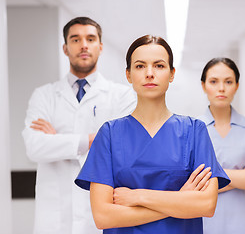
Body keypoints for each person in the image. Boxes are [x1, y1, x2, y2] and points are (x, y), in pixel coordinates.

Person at [75, 35, 230, 234]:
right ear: (128, 75)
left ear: (171, 74)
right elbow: (103, 217)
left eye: (159, 66)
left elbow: (206, 205)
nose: (149, 73)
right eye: (140, 66)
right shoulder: (110, 135)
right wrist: (180, 199)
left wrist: (138, 197)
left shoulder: (194, 131)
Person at [22, 17, 137, 234]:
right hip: (55, 218)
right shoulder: (44, 95)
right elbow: (34, 147)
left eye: (90, 39)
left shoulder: (122, 96)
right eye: (75, 39)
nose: (83, 45)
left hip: (99, 215)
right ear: (65, 48)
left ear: (100, 47)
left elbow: (121, 149)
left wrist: (57, 141)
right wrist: (91, 140)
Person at [198, 58, 245, 234]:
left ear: (236, 86)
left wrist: (212, 176)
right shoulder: (193, 129)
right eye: (214, 81)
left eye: (228, 82)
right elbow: (192, 187)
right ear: (203, 85)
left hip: (242, 226)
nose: (221, 88)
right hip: (203, 226)